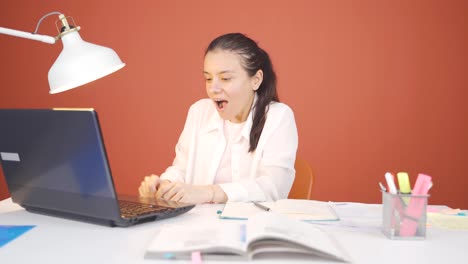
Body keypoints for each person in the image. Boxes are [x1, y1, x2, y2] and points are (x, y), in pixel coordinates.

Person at [138, 33, 298, 204]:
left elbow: (273, 187)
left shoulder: (278, 117)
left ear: (256, 80)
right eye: (208, 78)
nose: (213, 88)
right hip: (199, 225)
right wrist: (164, 185)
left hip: (254, 226)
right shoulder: (198, 112)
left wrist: (210, 192)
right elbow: (181, 169)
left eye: (225, 78)